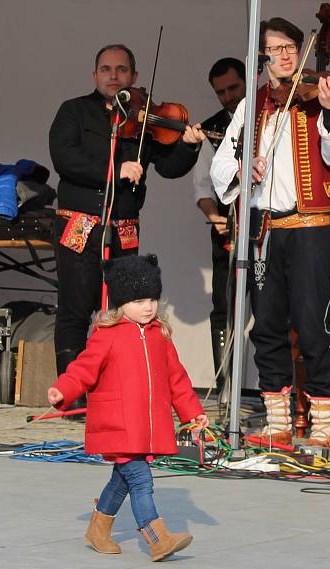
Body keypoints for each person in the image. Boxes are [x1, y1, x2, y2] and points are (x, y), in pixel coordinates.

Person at [210, 17, 330, 448]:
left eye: (290, 45)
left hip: (310, 228)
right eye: (275, 48)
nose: (286, 54)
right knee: (267, 325)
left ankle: (324, 426)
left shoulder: (317, 98)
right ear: (262, 57)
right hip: (264, 228)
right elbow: (220, 166)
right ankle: (278, 423)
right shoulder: (251, 104)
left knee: (312, 325)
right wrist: (242, 169)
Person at [49, 44, 205, 404]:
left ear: (134, 77)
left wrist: (189, 145)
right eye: (106, 69)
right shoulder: (73, 111)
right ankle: (71, 397)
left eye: (121, 70)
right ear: (95, 76)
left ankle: (113, 392)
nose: (113, 75)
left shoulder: (145, 118)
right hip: (78, 225)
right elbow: (65, 158)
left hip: (123, 226)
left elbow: (169, 166)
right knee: (75, 308)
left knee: (123, 309)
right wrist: (115, 169)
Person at [47, 254, 208, 561]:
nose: (147, 307)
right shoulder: (106, 335)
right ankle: (157, 538)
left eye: (152, 299)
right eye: (138, 300)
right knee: (141, 478)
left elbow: (178, 379)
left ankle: (98, 528)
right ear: (120, 303)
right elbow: (83, 369)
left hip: (146, 425)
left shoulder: (160, 336)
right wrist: (63, 390)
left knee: (122, 480)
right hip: (118, 423)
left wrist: (193, 412)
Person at [193, 57, 247, 400]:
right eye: (221, 92)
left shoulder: (270, 116)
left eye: (233, 88)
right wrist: (215, 217)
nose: (227, 96)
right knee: (224, 310)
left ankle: (279, 391)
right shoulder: (211, 127)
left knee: (273, 310)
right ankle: (226, 387)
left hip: (271, 228)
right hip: (227, 228)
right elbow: (201, 188)